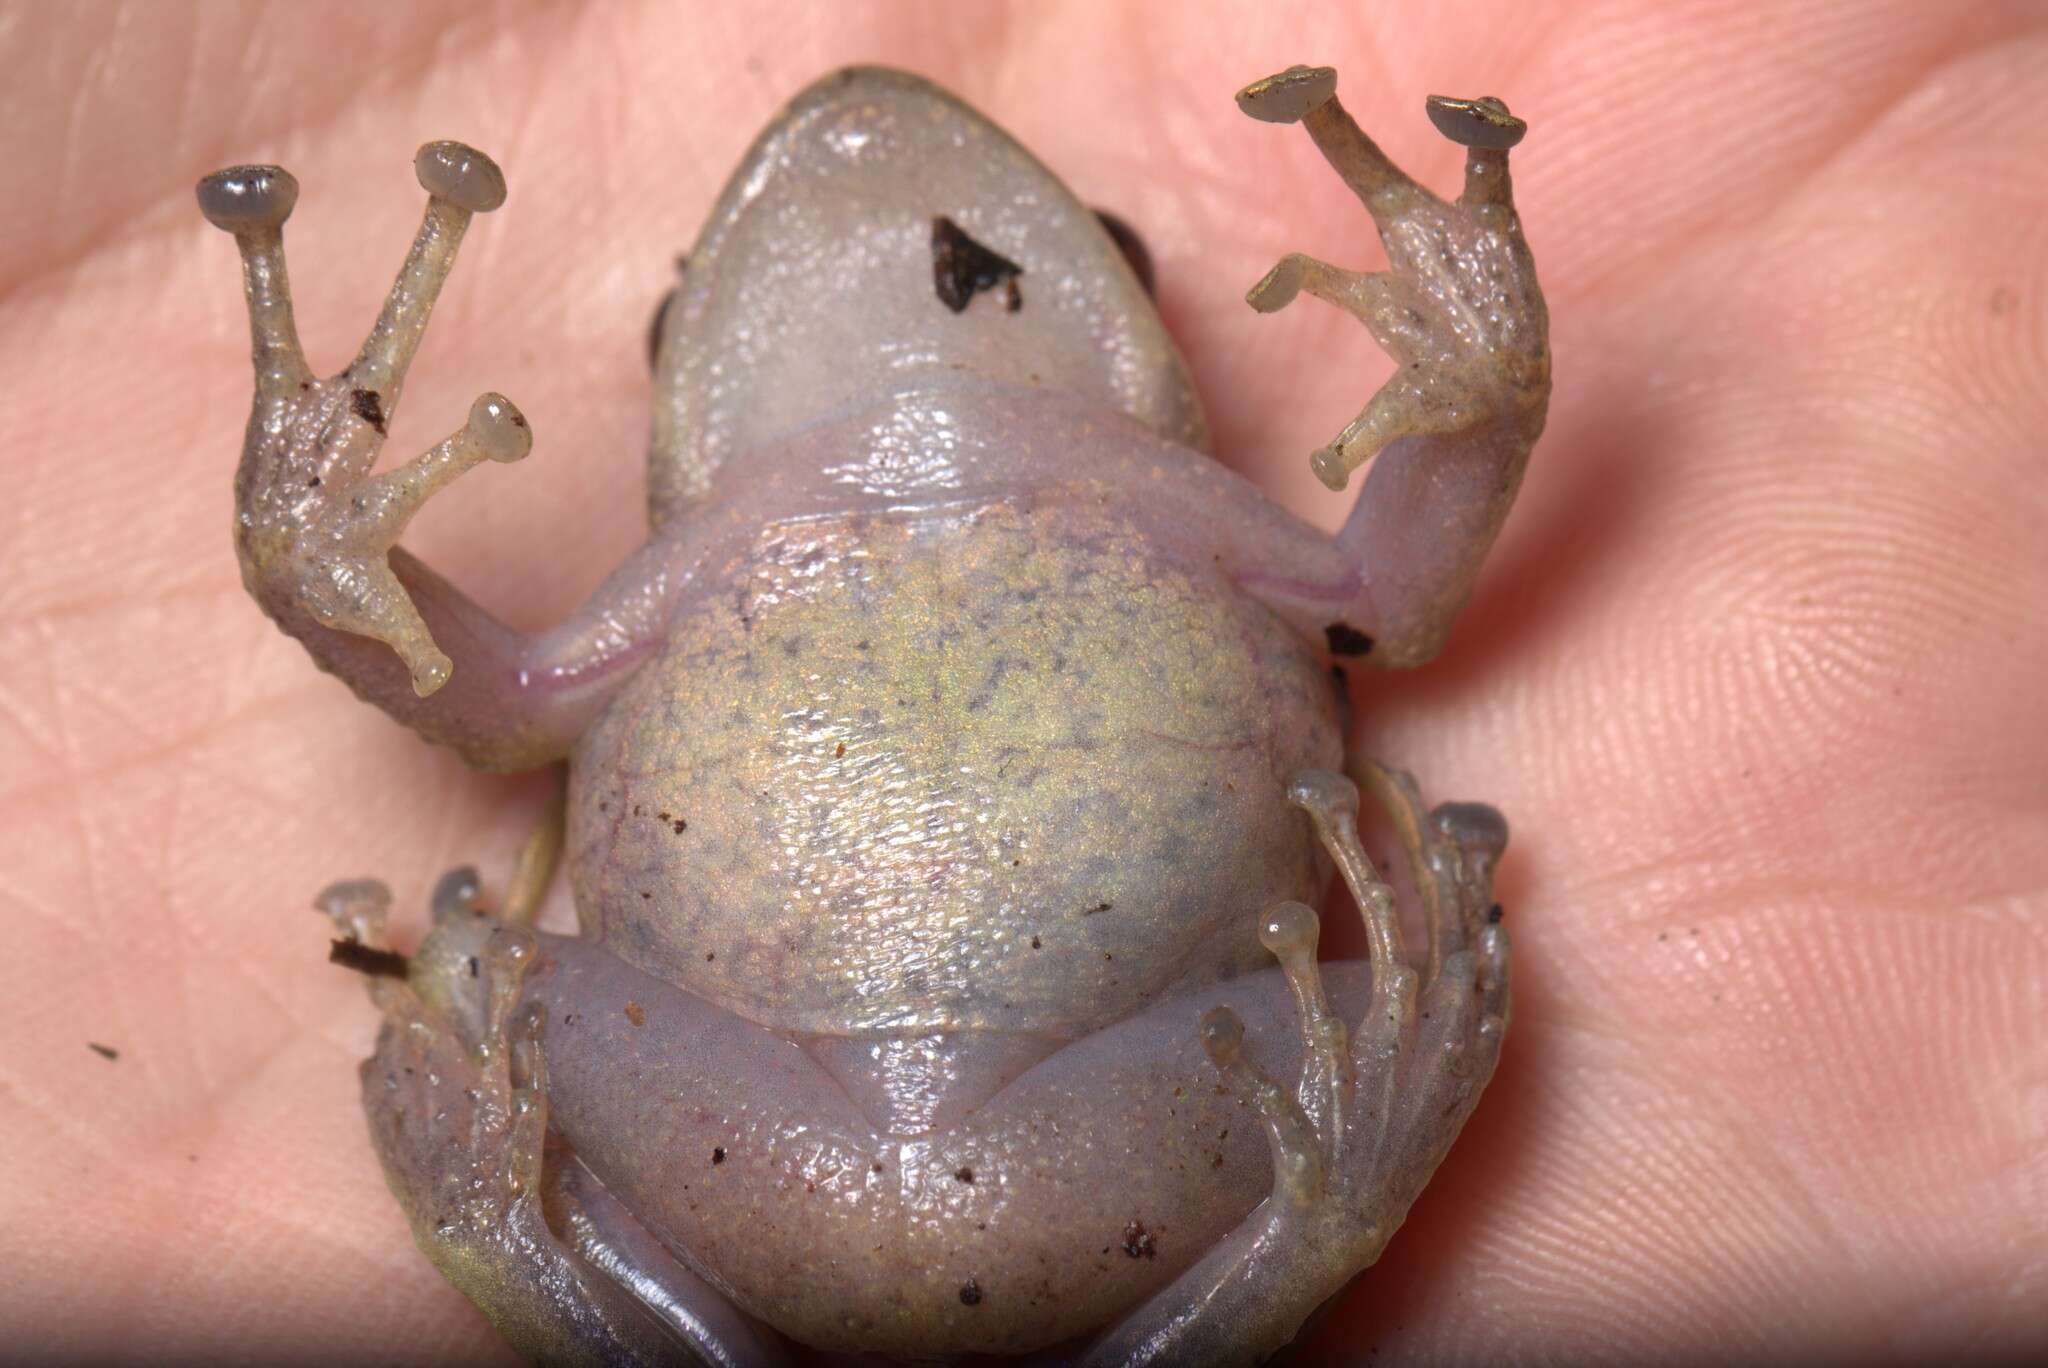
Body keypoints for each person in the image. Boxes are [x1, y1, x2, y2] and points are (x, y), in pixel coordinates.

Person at [4, 2, 2043, 1360]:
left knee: (524, 995)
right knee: (560, 1022)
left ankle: (1316, 1221)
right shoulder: (773, 559)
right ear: (682, 363)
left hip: (1074, 1129)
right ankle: (516, 1237)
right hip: (787, 1123)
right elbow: (489, 686)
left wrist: (1486, 383)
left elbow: (1397, 577)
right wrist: (313, 563)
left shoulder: (1124, 524)